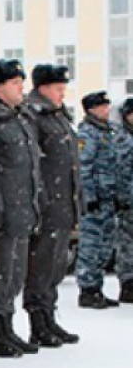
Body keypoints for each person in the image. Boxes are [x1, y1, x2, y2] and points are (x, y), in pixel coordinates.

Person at [0, 59, 42, 357]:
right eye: (15, 83)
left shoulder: (20, 118)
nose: (21, 88)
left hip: (23, 208)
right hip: (4, 209)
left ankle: (8, 326)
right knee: (0, 273)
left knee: (15, 274)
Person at [22, 64, 80, 345]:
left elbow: (70, 165)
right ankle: (38, 321)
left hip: (63, 203)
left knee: (56, 266)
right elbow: (33, 164)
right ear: (43, 88)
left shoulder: (58, 116)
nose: (62, 94)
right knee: (41, 265)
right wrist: (41, 199)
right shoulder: (34, 116)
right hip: (47, 204)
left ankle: (49, 316)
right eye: (58, 89)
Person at [76, 90, 120, 309]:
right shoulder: (87, 134)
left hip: (108, 198)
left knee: (104, 245)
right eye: (102, 106)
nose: (107, 110)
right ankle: (88, 289)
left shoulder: (108, 132)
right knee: (90, 245)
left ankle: (97, 288)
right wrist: (89, 197)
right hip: (95, 201)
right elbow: (83, 168)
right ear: (92, 109)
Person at [115, 97, 133, 303]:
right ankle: (128, 284)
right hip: (128, 199)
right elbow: (120, 171)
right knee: (127, 243)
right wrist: (123, 197)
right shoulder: (123, 138)